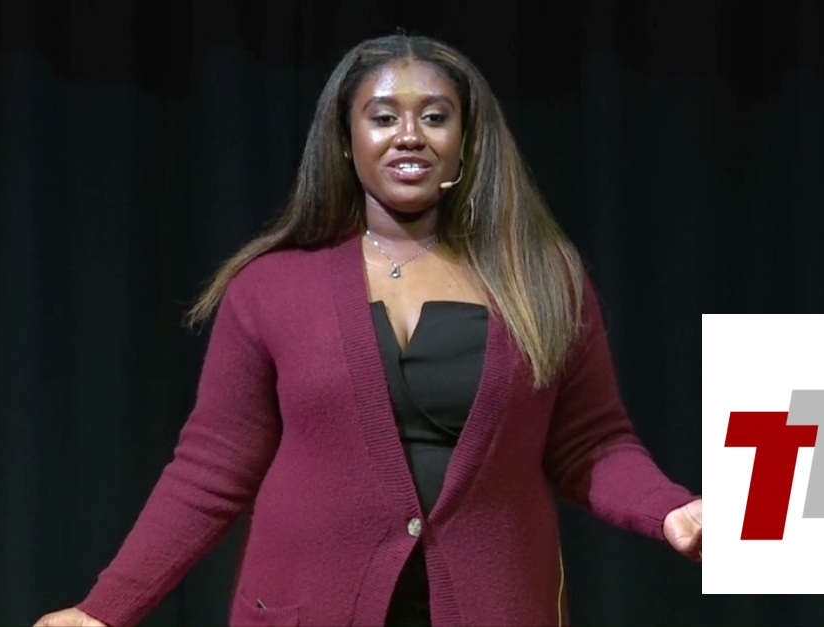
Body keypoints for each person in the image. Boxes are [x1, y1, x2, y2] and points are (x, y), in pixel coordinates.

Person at [34, 32, 702, 627]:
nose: (409, 135)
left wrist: (668, 509)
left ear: (466, 140)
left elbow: (591, 443)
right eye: (382, 117)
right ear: (344, 139)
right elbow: (211, 469)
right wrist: (105, 609)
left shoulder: (543, 278)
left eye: (435, 116)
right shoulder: (270, 287)